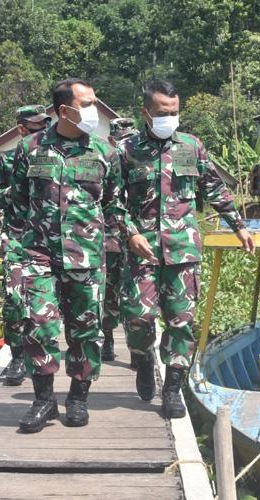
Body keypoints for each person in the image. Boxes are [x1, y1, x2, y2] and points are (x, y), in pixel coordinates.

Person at [120, 79, 255, 419]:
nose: (170, 118)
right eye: (163, 112)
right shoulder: (127, 150)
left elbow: (214, 189)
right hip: (143, 249)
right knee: (137, 317)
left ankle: (172, 389)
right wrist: (129, 232)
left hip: (183, 249)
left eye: (175, 112)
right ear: (146, 113)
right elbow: (112, 201)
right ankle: (143, 358)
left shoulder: (191, 147)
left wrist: (239, 225)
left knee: (181, 321)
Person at [10, 78, 126, 432]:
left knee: (85, 331)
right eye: (87, 103)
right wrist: (17, 248)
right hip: (37, 253)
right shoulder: (29, 149)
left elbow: (114, 206)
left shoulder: (105, 153)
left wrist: (114, 249)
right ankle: (44, 402)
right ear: (64, 111)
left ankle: (78, 397)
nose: (94, 110)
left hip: (87, 257)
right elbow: (17, 202)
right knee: (38, 327)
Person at [0, 104, 51, 386]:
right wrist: (19, 187)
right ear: (22, 129)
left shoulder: (56, 156)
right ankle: (16, 357)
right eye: (36, 127)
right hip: (17, 236)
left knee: (50, 303)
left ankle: (44, 357)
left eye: (44, 125)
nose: (42, 131)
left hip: (51, 237)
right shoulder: (8, 159)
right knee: (14, 300)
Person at [102, 118, 140, 362]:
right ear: (112, 140)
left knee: (135, 294)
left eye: (129, 138)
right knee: (109, 293)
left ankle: (137, 349)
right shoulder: (105, 163)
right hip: (110, 238)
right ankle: (107, 339)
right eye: (121, 139)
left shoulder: (141, 162)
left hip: (136, 240)